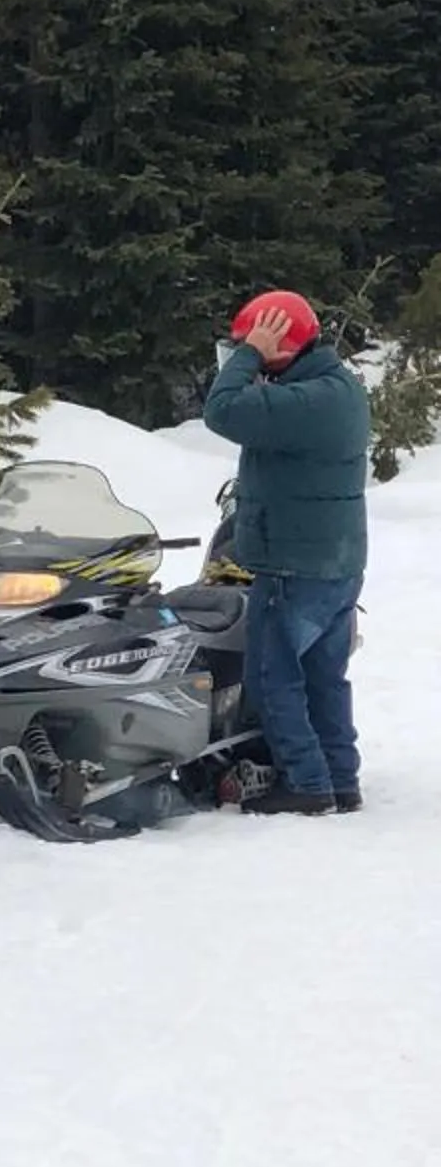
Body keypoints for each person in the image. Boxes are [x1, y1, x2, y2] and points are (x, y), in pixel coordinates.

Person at [202, 289, 369, 816]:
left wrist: (252, 352)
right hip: (335, 562)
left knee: (273, 678)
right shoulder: (336, 388)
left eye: (249, 345)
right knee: (324, 678)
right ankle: (340, 779)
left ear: (281, 345)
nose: (242, 356)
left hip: (293, 563)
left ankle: (306, 782)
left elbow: (222, 410)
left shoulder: (307, 400)